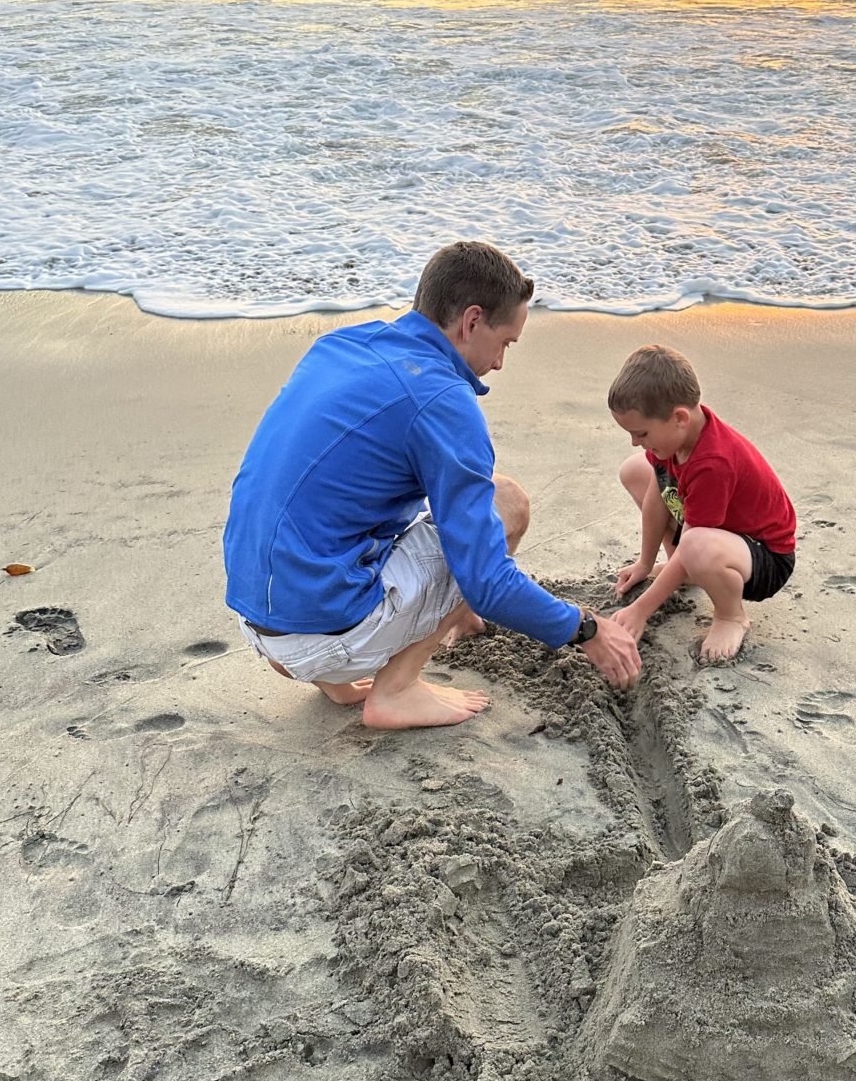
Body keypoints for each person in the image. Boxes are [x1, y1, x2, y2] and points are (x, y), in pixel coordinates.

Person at [223, 241, 641, 729]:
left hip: (258, 619)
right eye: (505, 342)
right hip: (321, 632)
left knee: (337, 517)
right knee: (506, 502)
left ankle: (336, 679)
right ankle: (396, 690)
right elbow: (487, 583)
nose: (502, 362)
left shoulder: (341, 346)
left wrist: (456, 607)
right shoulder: (442, 400)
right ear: (471, 321)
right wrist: (587, 630)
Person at [606, 344, 797, 663]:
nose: (635, 441)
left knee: (694, 545)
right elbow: (658, 491)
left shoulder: (713, 462)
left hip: (764, 558)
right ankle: (685, 569)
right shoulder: (672, 442)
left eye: (640, 433)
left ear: (679, 417)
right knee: (635, 470)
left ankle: (730, 615)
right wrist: (644, 562)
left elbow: (695, 540)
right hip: (715, 538)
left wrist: (640, 610)